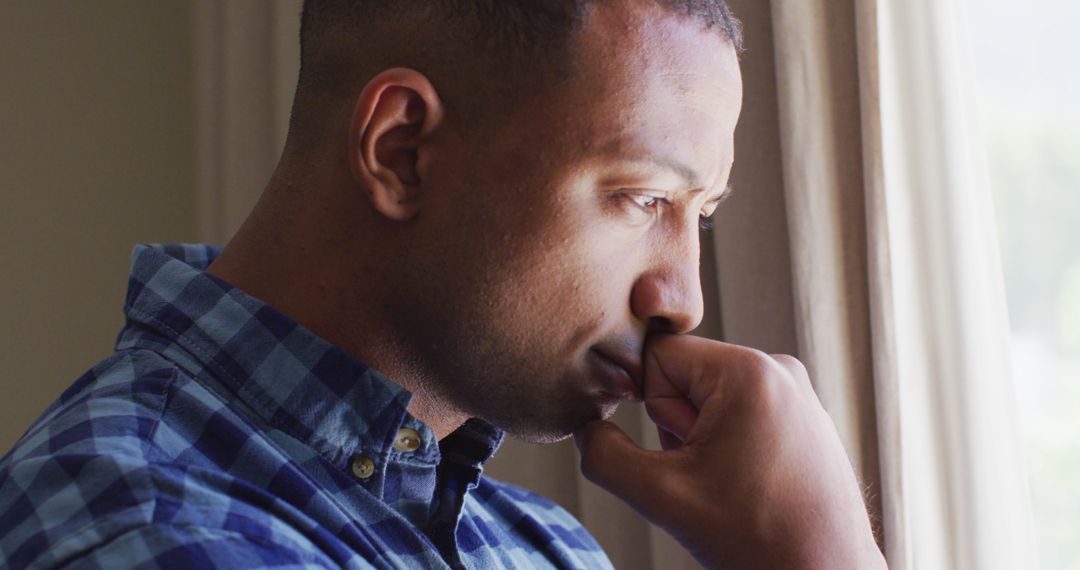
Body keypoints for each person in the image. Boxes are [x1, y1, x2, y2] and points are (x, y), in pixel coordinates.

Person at [0, 1, 886, 568]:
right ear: (402, 152)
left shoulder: (543, 548)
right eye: (641, 198)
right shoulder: (155, 535)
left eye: (703, 215)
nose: (681, 299)